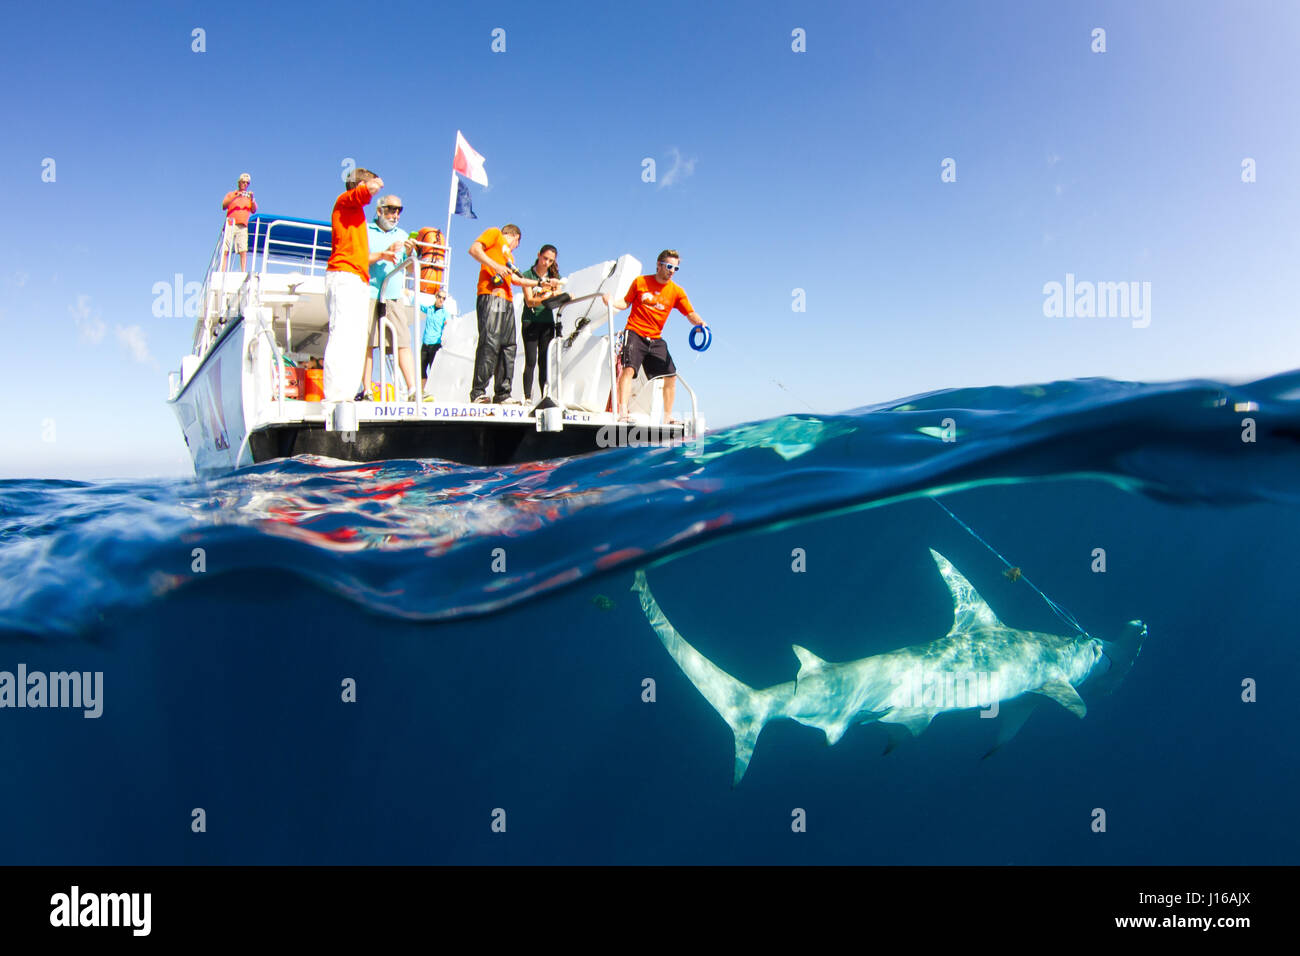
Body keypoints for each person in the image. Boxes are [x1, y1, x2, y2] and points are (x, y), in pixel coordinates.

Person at [602, 249, 705, 422]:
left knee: (671, 376)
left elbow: (690, 313)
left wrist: (701, 324)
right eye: (669, 266)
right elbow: (625, 303)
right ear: (659, 265)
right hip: (635, 331)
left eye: (676, 268)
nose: (672, 271)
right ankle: (623, 412)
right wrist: (611, 301)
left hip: (656, 338)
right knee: (628, 369)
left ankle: (667, 417)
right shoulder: (641, 282)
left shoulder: (677, 291)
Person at [322, 167, 383, 405]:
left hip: (357, 277)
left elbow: (361, 256)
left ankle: (347, 393)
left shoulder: (357, 215)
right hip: (344, 276)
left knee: (356, 338)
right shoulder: (344, 202)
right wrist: (375, 183)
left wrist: (383, 255)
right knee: (343, 334)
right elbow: (367, 190)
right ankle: (336, 397)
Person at [466, 223, 545, 404]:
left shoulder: (510, 256)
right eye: (517, 243)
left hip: (506, 300)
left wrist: (541, 283)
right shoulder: (494, 234)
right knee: (490, 341)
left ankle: (503, 393)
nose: (516, 246)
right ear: (516, 237)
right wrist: (495, 266)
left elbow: (516, 279)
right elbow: (474, 249)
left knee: (508, 345)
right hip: (491, 295)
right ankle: (478, 392)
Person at [360, 195, 418, 401]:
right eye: (391, 209)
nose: (395, 215)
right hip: (369, 294)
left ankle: (412, 390)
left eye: (399, 210)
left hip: (393, 296)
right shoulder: (365, 230)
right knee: (367, 343)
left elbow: (410, 267)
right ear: (379, 211)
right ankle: (366, 390)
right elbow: (358, 258)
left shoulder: (402, 235)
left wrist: (411, 254)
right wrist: (383, 254)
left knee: (402, 341)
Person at [520, 245, 562, 403]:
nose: (547, 263)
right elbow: (530, 301)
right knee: (531, 360)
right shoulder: (527, 275)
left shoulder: (554, 276)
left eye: (551, 260)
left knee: (544, 361)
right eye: (545, 258)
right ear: (538, 255)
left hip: (547, 323)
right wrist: (548, 294)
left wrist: (553, 290)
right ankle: (527, 397)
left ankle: (545, 396)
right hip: (530, 321)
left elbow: (558, 295)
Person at [220, 173, 257, 272]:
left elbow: (254, 210)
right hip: (231, 224)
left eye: (247, 183)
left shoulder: (249, 198)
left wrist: (252, 199)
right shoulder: (232, 194)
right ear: (239, 183)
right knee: (226, 249)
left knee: (243, 249)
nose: (245, 184)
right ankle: (222, 270)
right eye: (243, 182)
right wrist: (236, 196)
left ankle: (243, 271)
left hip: (242, 226)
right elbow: (224, 205)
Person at [420, 289, 449, 386]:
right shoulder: (429, 309)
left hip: (435, 344)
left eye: (444, 298)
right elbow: (418, 305)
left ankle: (432, 391)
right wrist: (408, 295)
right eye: (440, 297)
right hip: (425, 343)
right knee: (421, 369)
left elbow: (450, 324)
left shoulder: (445, 313)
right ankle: (423, 392)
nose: (441, 300)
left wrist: (447, 323)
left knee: (433, 369)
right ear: (436, 297)